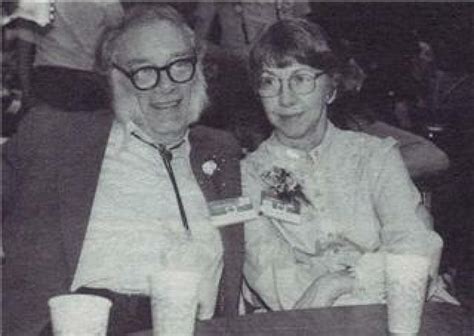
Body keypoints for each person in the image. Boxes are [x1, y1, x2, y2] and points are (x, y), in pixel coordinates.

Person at [2, 5, 244, 335]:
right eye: (144, 71)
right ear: (117, 78)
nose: (166, 85)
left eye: (179, 65)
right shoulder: (57, 136)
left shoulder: (222, 151)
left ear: (198, 67)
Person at [241, 18, 457, 317]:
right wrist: (377, 276)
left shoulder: (374, 156)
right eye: (269, 81)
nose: (285, 98)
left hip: (405, 312)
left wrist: (337, 284)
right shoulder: (248, 175)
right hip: (308, 322)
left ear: (330, 88)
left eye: (300, 79)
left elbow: (415, 250)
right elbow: (273, 278)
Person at [193, 1, 311, 151]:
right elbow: (196, 42)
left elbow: (306, 35)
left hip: (284, 73)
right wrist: (234, 54)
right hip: (238, 77)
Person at [16, 0, 124, 111]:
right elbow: (120, 36)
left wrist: (26, 91)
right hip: (91, 80)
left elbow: (24, 50)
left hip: (48, 79)